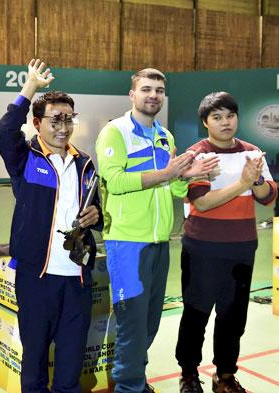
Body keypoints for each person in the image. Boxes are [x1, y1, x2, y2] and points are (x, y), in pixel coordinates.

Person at [94, 68, 218, 393]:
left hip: (160, 243)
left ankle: (137, 381)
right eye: (146, 89)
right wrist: (166, 173)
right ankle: (128, 388)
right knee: (132, 326)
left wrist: (188, 175)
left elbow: (174, 192)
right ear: (132, 95)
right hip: (127, 244)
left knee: (148, 324)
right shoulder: (115, 133)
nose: (153, 95)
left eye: (159, 90)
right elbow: (114, 182)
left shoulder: (165, 137)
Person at [0, 59, 103, 393]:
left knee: (71, 361)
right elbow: (4, 131)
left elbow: (95, 208)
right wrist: (30, 87)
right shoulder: (24, 159)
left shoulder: (85, 163)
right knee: (35, 361)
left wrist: (95, 216)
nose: (63, 126)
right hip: (36, 277)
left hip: (78, 278)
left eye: (69, 119)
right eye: (56, 119)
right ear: (37, 123)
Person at [175, 92, 276, 393]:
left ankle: (225, 376)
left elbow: (269, 197)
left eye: (229, 116)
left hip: (242, 248)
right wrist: (242, 183)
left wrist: (255, 181)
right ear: (205, 122)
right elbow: (202, 203)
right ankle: (189, 374)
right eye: (217, 117)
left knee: (233, 317)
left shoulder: (253, 152)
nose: (225, 122)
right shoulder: (197, 155)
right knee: (196, 313)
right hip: (202, 248)